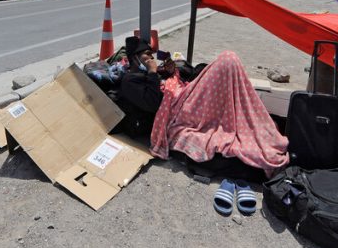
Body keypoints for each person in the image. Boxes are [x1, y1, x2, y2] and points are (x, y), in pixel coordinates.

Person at [116, 37, 289, 173]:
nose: (151, 59)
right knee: (227, 61)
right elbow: (152, 103)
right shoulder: (130, 80)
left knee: (223, 67)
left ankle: (247, 118)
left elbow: (169, 83)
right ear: (135, 58)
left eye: (152, 55)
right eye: (147, 55)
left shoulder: (147, 73)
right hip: (178, 109)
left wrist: (167, 71)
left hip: (184, 93)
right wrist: (153, 72)